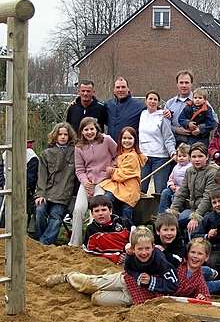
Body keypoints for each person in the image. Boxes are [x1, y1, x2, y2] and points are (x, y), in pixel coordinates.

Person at [45, 226, 178, 306]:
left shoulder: (160, 260)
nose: (144, 252)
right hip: (126, 281)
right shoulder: (130, 256)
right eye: (140, 249)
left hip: (137, 297)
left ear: (153, 247)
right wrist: (138, 276)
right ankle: (68, 277)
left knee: (96, 298)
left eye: (147, 248)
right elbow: (129, 270)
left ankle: (105, 278)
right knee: (88, 284)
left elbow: (173, 285)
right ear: (133, 249)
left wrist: (151, 281)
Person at [69, 117, 117, 246]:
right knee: (78, 209)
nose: (89, 132)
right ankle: (75, 243)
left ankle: (93, 242)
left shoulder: (106, 140)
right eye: (86, 130)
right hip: (87, 182)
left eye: (91, 129)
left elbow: (118, 155)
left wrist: (111, 168)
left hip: (103, 181)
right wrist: (85, 182)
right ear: (82, 132)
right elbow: (79, 169)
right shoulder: (79, 147)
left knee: (95, 211)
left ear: (96, 129)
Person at [35, 122, 77, 245]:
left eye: (65, 134)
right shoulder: (47, 153)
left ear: (69, 136)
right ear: (55, 136)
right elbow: (42, 176)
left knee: (56, 216)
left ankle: (44, 243)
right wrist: (40, 194)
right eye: (60, 134)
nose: (63, 137)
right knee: (39, 211)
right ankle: (41, 239)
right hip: (47, 191)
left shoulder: (75, 152)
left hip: (63, 194)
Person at [168, 142, 220, 234]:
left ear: (207, 157)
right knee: (170, 223)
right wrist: (173, 211)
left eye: (200, 156)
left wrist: (196, 217)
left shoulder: (212, 172)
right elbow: (182, 192)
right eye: (194, 157)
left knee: (192, 227)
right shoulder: (189, 171)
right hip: (192, 208)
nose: (197, 160)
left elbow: (207, 198)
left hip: (208, 210)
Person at [100, 127, 147, 221]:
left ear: (135, 140)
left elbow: (123, 174)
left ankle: (127, 230)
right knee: (108, 199)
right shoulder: (121, 154)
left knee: (125, 216)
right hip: (120, 187)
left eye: (130, 138)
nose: (127, 141)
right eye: (124, 138)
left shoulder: (133, 156)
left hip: (129, 189)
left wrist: (112, 171)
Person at [138, 91, 176, 194]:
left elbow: (169, 137)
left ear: (158, 102)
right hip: (144, 157)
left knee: (160, 191)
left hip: (160, 158)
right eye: (150, 99)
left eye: (155, 99)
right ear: (146, 101)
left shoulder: (162, 116)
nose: (152, 101)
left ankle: (160, 210)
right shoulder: (141, 114)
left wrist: (172, 152)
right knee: (140, 188)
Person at [83, 195, 134, 264]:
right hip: (105, 263)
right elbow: (89, 252)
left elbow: (137, 241)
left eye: (103, 210)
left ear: (110, 211)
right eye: (96, 211)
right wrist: (112, 257)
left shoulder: (124, 223)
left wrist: (129, 252)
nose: (100, 213)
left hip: (128, 259)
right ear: (92, 214)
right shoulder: (91, 229)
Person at [191, 189, 220, 272]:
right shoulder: (209, 218)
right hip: (216, 248)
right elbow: (194, 235)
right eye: (214, 203)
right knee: (212, 262)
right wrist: (207, 236)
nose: (218, 205)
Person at [105, 76, 145, 141]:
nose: (120, 90)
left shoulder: (139, 106)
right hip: (111, 147)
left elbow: (153, 113)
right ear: (114, 90)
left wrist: (165, 112)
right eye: (118, 87)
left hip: (129, 147)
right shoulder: (108, 105)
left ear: (128, 89)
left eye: (123, 87)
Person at [158, 144, 191, 214]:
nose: (181, 158)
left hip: (184, 191)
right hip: (174, 187)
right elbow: (171, 178)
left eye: (184, 156)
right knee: (165, 192)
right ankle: (162, 213)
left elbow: (189, 182)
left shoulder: (190, 168)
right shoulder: (176, 167)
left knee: (175, 197)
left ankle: (175, 214)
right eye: (179, 156)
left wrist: (180, 188)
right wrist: (171, 185)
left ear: (189, 157)